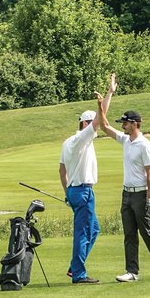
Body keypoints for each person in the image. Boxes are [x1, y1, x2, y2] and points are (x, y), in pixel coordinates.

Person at [97, 74, 150, 281]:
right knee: (129, 234)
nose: (122, 125)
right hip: (126, 194)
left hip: (141, 195)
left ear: (134, 124)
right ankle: (132, 272)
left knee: (146, 232)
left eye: (125, 122)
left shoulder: (144, 145)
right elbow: (104, 126)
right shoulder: (125, 141)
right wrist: (108, 94)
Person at [59, 86, 113, 284]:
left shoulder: (68, 142)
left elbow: (61, 171)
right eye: (90, 123)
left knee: (94, 229)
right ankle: (79, 273)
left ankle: (75, 266)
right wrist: (107, 97)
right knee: (83, 233)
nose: (94, 126)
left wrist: (68, 194)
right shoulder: (82, 138)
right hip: (83, 191)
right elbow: (101, 118)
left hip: (74, 191)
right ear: (84, 124)